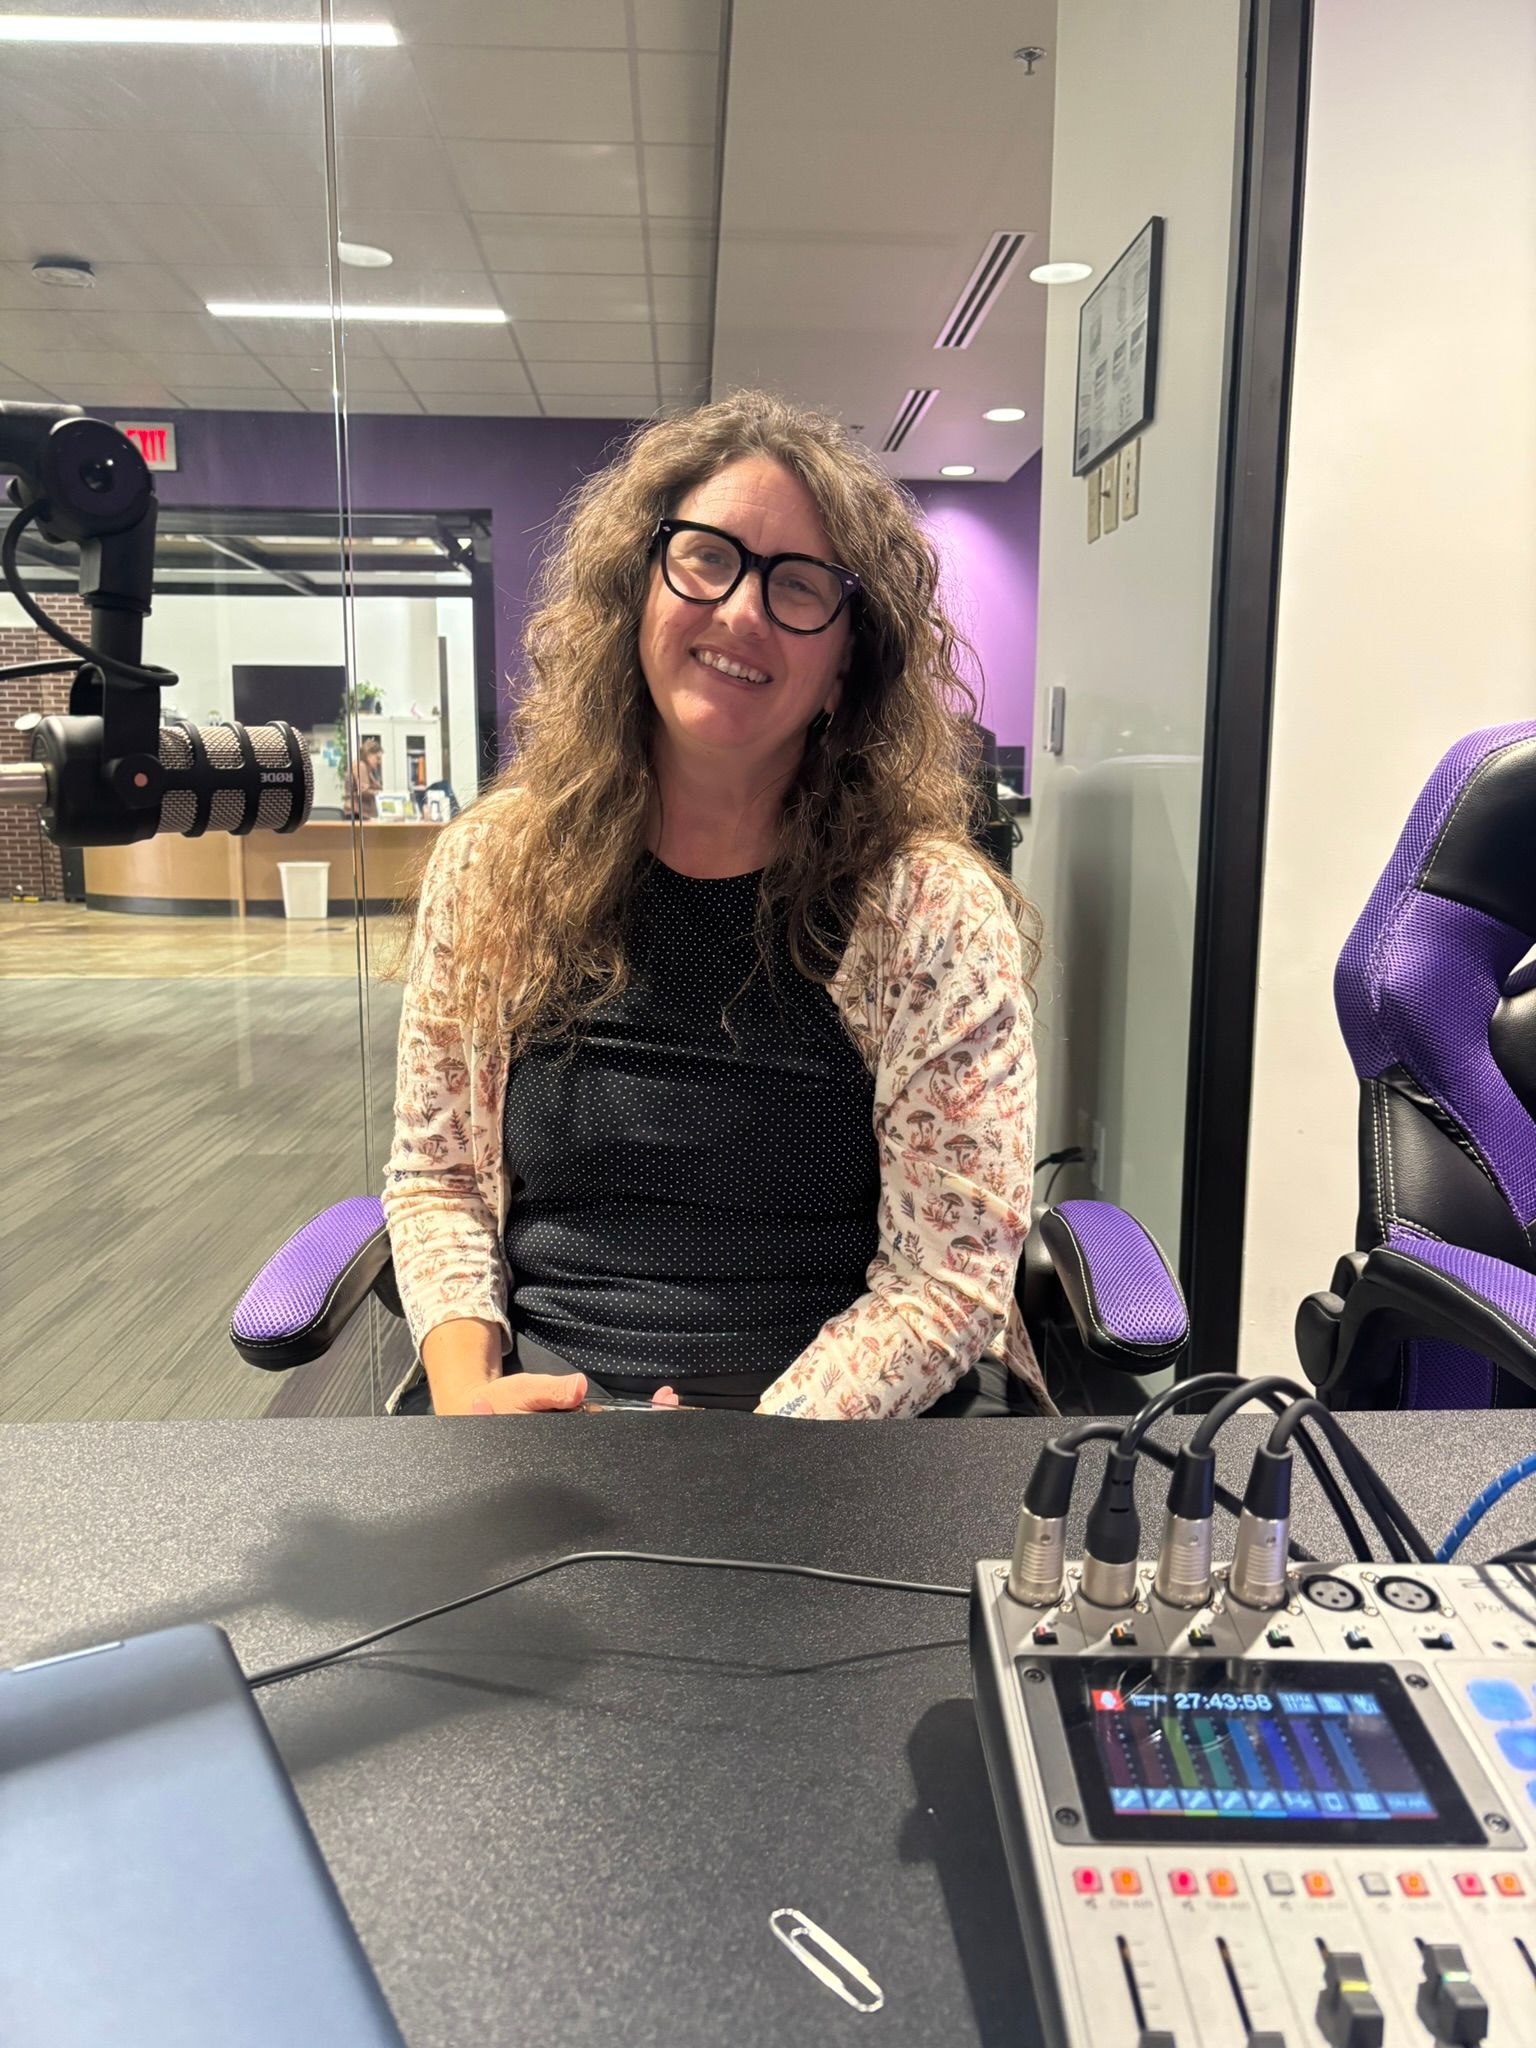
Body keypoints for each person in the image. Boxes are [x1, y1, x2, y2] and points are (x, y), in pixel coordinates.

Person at [383, 390, 1047, 1419]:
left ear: (845, 665)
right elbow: (442, 1180)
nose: (741, 611)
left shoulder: (929, 910)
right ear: (639, 590)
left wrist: (744, 1457)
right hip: (542, 1408)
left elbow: (947, 1280)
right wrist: (469, 1392)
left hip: (840, 1435)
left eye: (799, 585)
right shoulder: (496, 867)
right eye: (706, 558)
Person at [342, 735, 383, 821]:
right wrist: (379, 794)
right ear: (369, 755)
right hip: (358, 812)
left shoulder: (363, 767)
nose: (379, 761)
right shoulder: (361, 766)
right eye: (377, 758)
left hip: (359, 811)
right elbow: (363, 790)